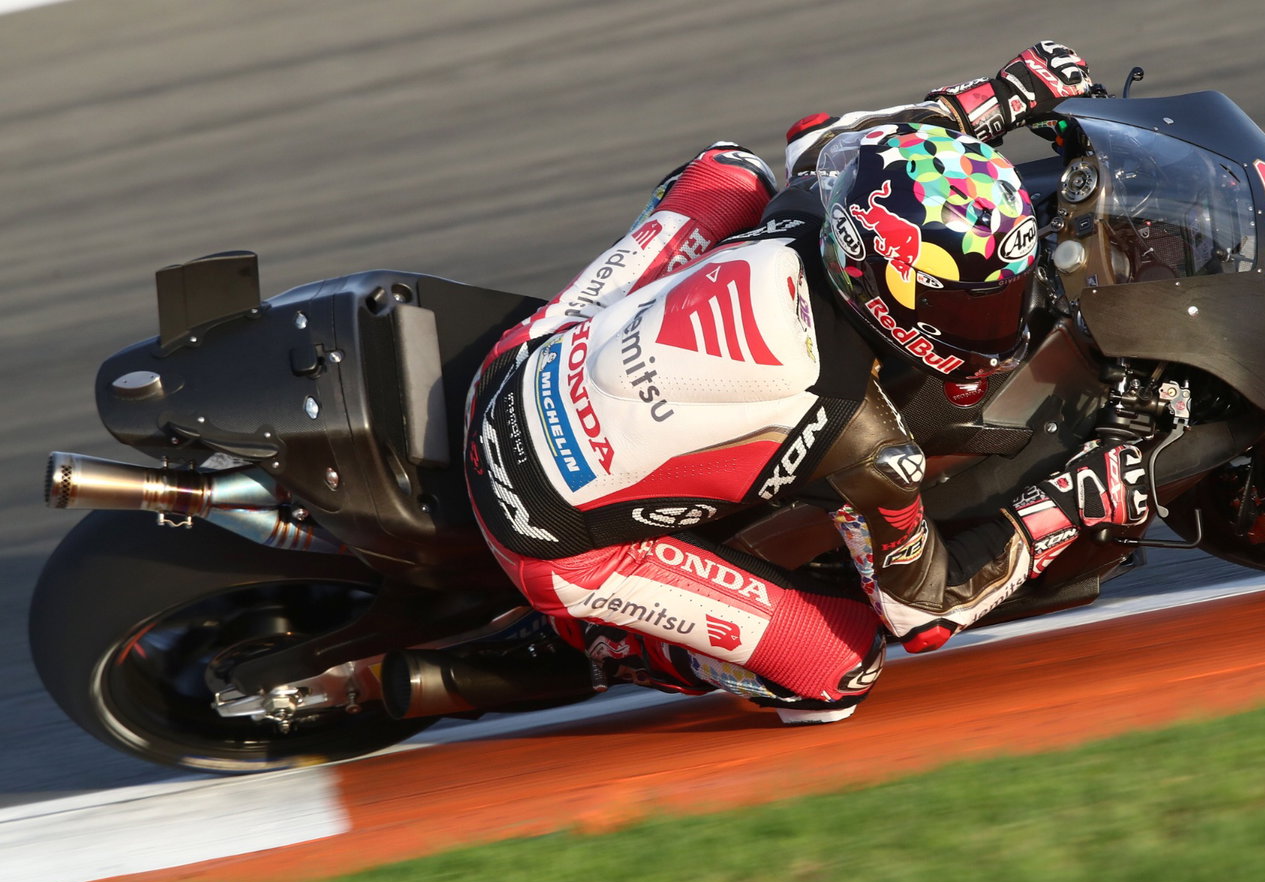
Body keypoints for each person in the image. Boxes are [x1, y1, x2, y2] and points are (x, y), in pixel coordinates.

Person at [464, 41, 1149, 724]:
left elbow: (846, 143)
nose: (1000, 317)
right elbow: (925, 610)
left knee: (728, 172)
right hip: (549, 540)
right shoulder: (863, 434)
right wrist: (1073, 504)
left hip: (511, 369)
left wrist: (1001, 95)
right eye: (970, 303)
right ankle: (606, 644)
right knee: (840, 670)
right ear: (890, 291)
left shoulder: (820, 201)